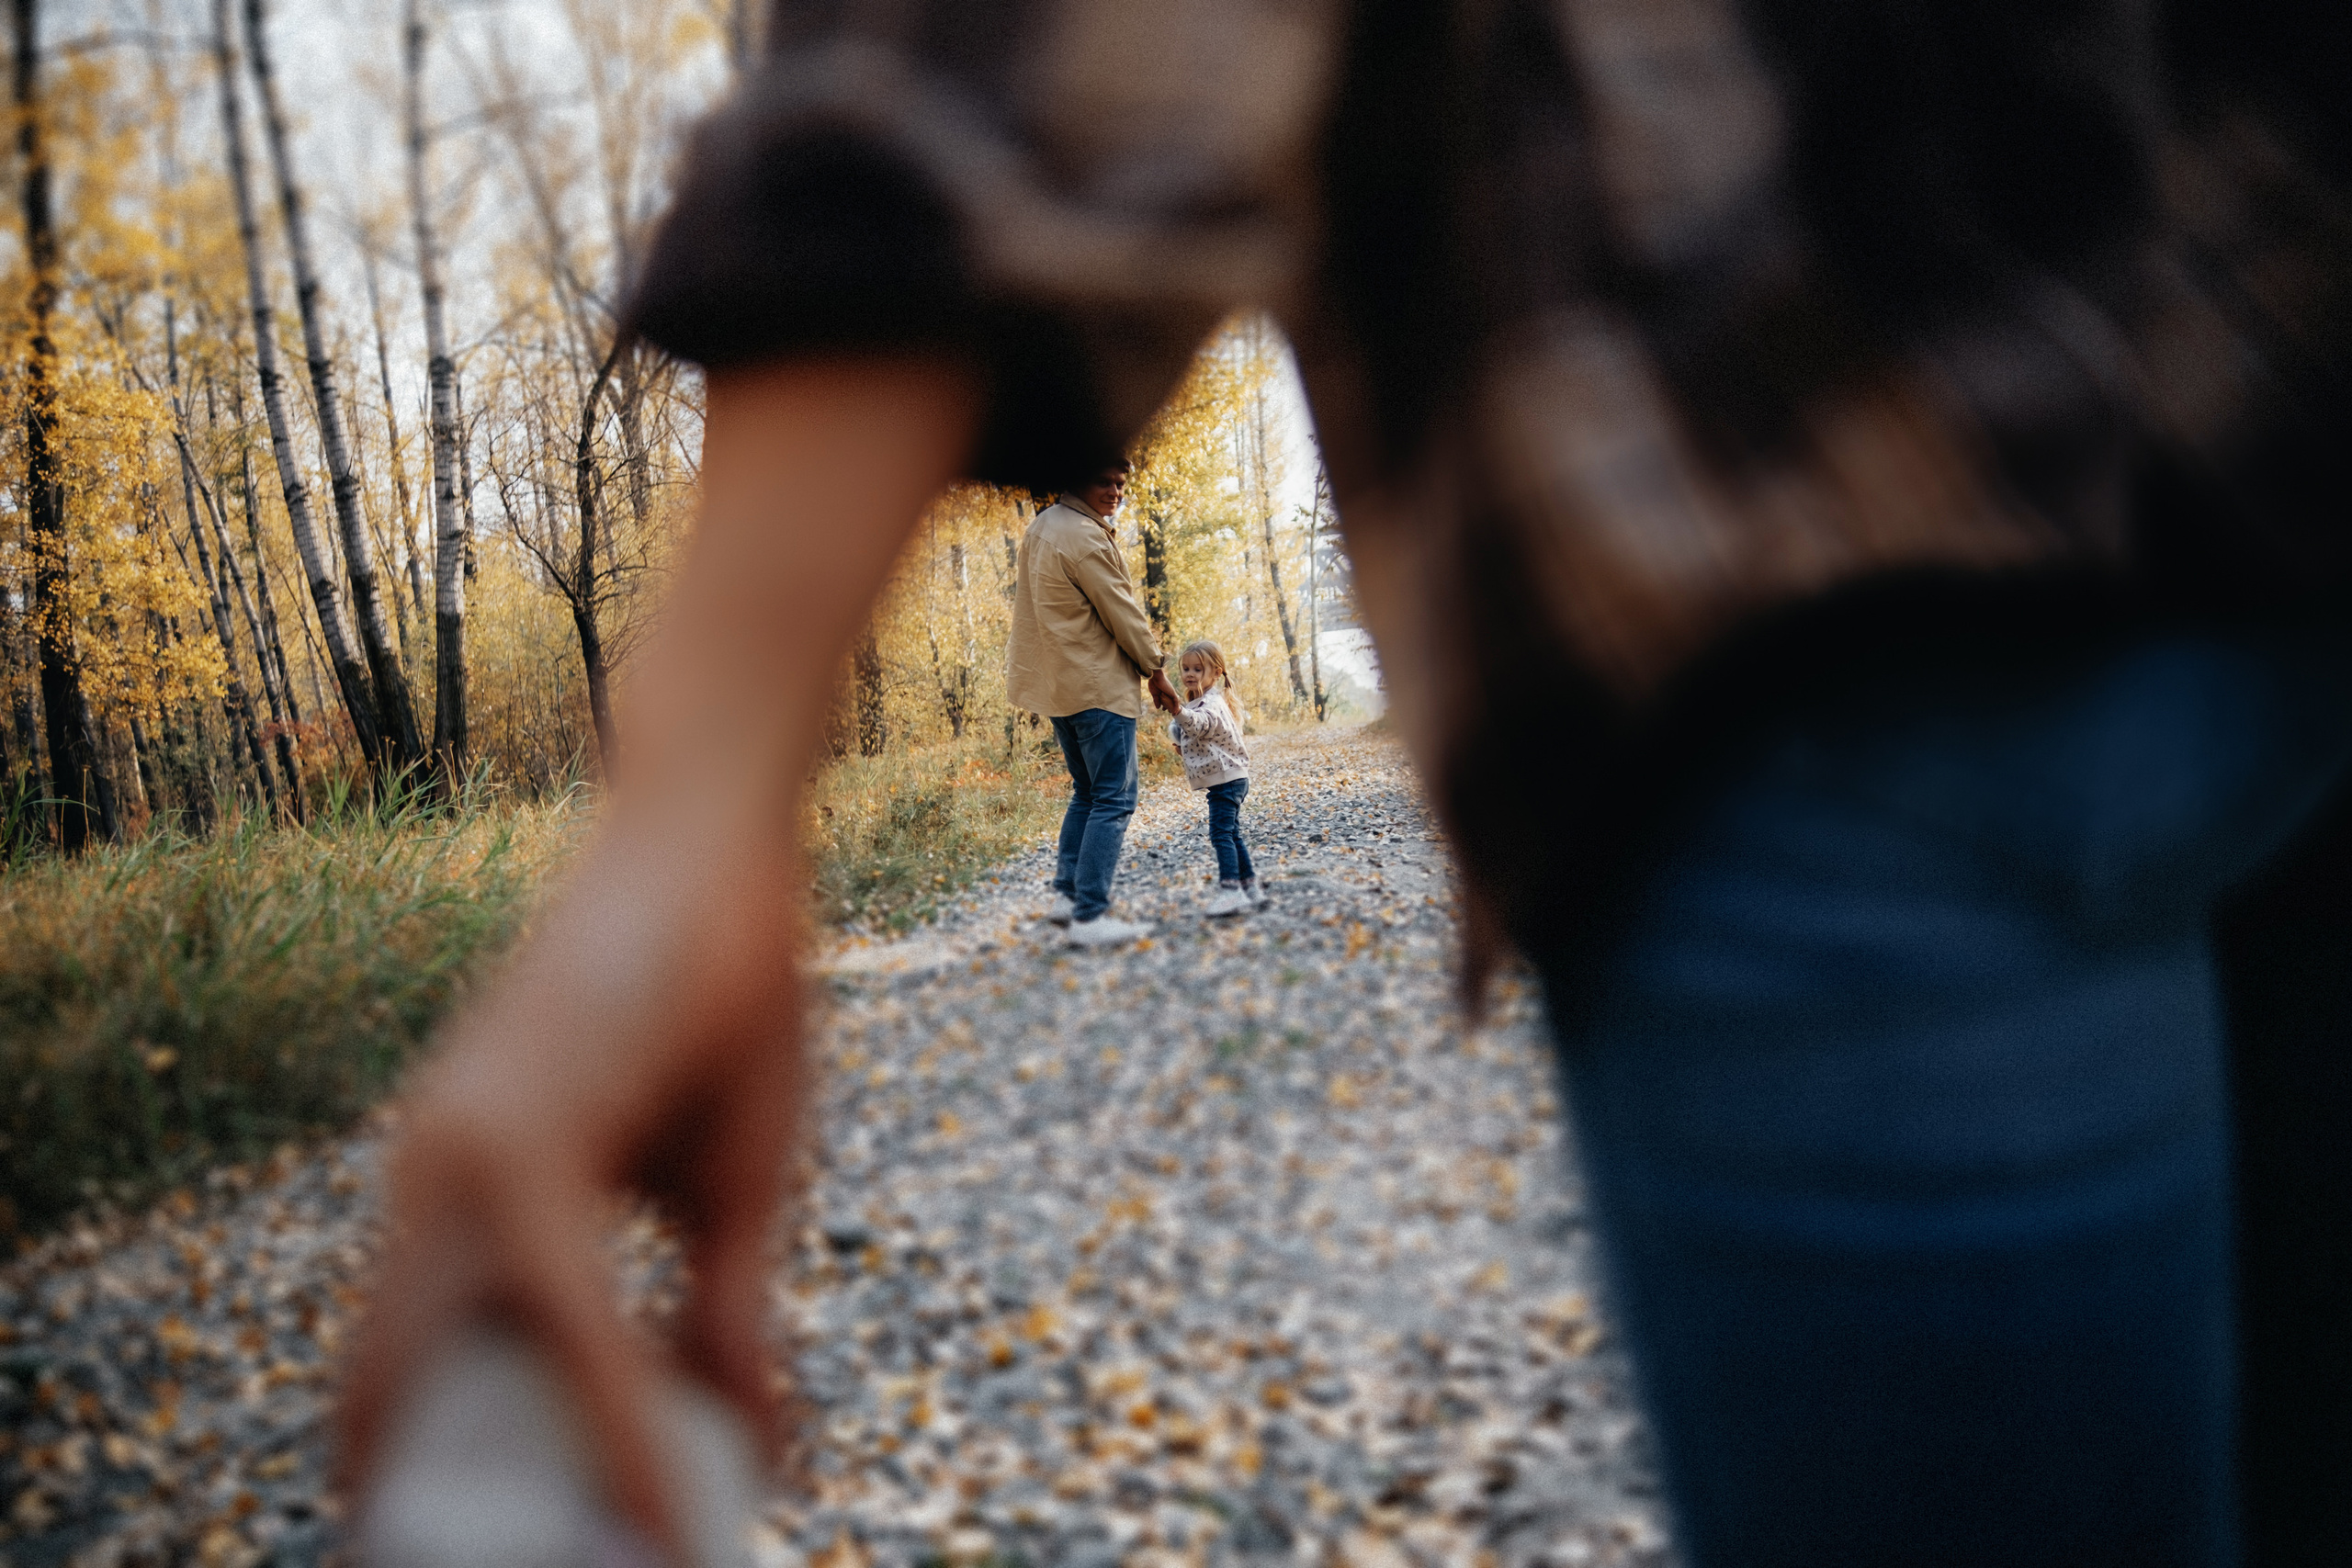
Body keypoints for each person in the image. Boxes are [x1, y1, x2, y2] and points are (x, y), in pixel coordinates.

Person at [340, 6, 2352, 1565]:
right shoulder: (1081, 542)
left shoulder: (1066, 534)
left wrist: (707, 783)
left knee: (1155, 795)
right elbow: (1110, 606)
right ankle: (1104, 902)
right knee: (1137, 792)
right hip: (2089, 497)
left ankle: (1115, 895)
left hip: (1791, 524)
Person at [1006, 462, 1182, 946]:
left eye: (1122, 484)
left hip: (1061, 688)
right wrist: (1156, 669)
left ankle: (1066, 897)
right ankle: (1090, 915)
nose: (1116, 491)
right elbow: (1121, 612)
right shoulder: (1083, 536)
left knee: (1086, 793)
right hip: (1097, 687)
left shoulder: (1042, 526)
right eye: (1105, 481)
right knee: (1113, 798)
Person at [1166, 639, 1260, 917]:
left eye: (1198, 668)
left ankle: (1231, 891)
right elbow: (1207, 740)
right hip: (1231, 778)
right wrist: (1185, 748)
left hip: (1227, 781)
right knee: (1231, 833)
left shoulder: (1211, 703)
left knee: (1220, 834)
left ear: (1216, 672)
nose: (1190, 673)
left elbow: (1201, 724)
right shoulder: (1205, 701)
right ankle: (1249, 887)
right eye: (1185, 668)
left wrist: (1177, 710)